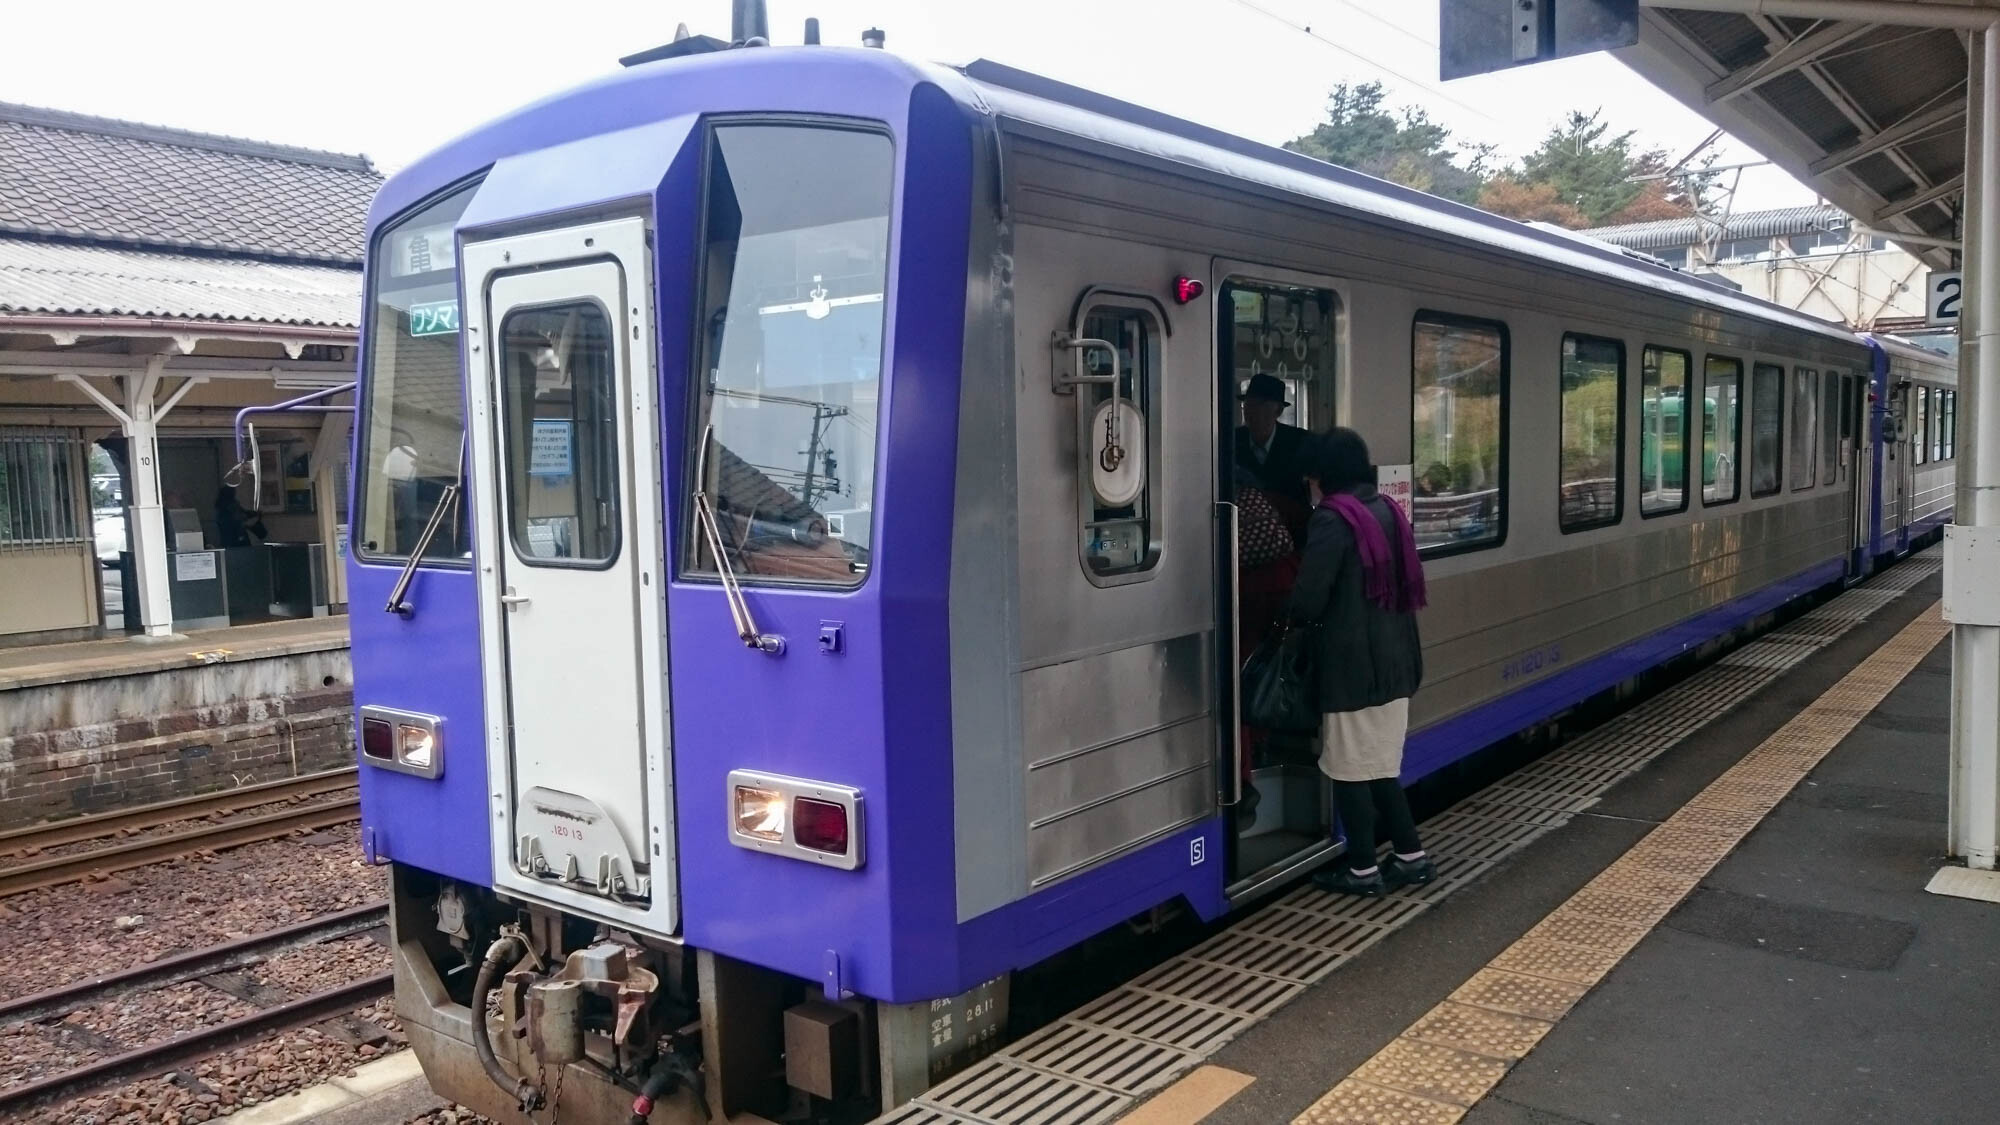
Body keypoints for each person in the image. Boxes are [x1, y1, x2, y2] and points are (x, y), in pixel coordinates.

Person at [1286, 427, 1434, 896]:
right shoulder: (1386, 509)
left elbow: (1310, 598)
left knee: (1349, 766)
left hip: (1352, 667)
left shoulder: (1333, 520)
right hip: (1396, 660)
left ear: (1322, 475)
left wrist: (1286, 619)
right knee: (1382, 766)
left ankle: (1363, 869)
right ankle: (1411, 857)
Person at [1234, 374, 1312, 513]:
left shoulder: (1299, 441)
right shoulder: (1233, 441)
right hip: (1246, 527)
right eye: (1247, 404)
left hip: (1292, 527)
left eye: (1259, 405)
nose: (1250, 411)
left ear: (1279, 410)